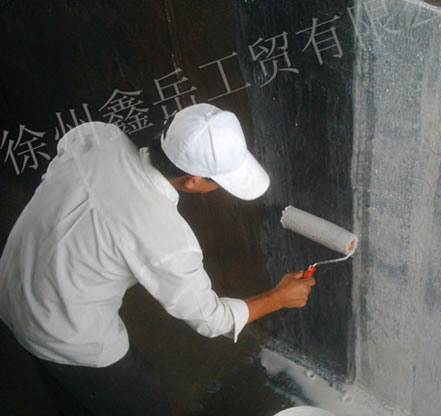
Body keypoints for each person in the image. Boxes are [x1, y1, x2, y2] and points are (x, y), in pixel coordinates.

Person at [0, 103, 316, 415]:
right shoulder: (165, 237)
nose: (215, 190)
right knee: (143, 404)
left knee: (65, 389)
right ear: (193, 181)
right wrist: (280, 297)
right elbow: (211, 320)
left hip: (10, 290)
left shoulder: (99, 137)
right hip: (65, 334)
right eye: (217, 183)